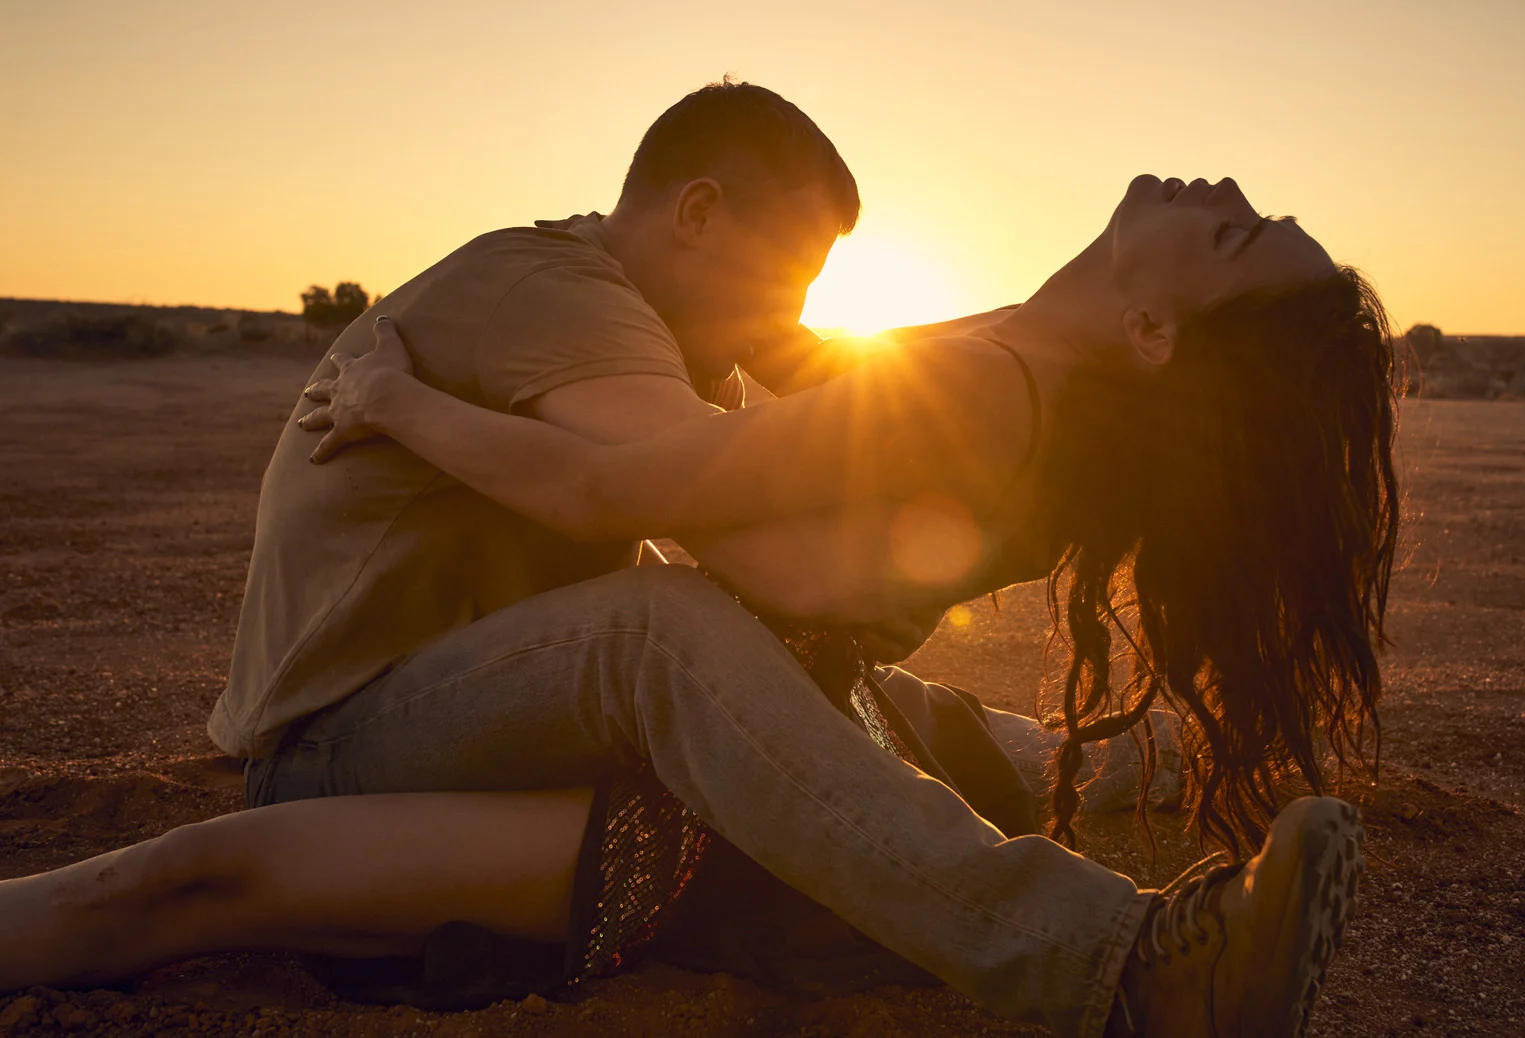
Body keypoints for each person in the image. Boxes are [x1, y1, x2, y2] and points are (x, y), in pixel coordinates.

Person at [0, 79, 1393, 1038]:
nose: (790, 323)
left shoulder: (734, 332)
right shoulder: (562, 296)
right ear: (697, 214)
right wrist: (401, 404)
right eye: (782, 278)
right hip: (356, 730)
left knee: (878, 711)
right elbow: (665, 494)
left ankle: (1141, 771)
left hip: (498, 734)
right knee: (671, 630)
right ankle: (1123, 962)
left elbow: (793, 453)